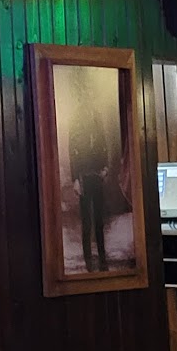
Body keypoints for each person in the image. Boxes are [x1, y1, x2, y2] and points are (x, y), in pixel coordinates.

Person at [68, 108, 113, 271]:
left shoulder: (97, 118)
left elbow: (103, 144)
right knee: (87, 221)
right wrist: (75, 179)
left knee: (99, 220)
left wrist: (105, 167)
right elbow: (72, 151)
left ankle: (102, 258)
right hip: (83, 177)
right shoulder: (76, 122)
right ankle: (88, 260)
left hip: (97, 175)